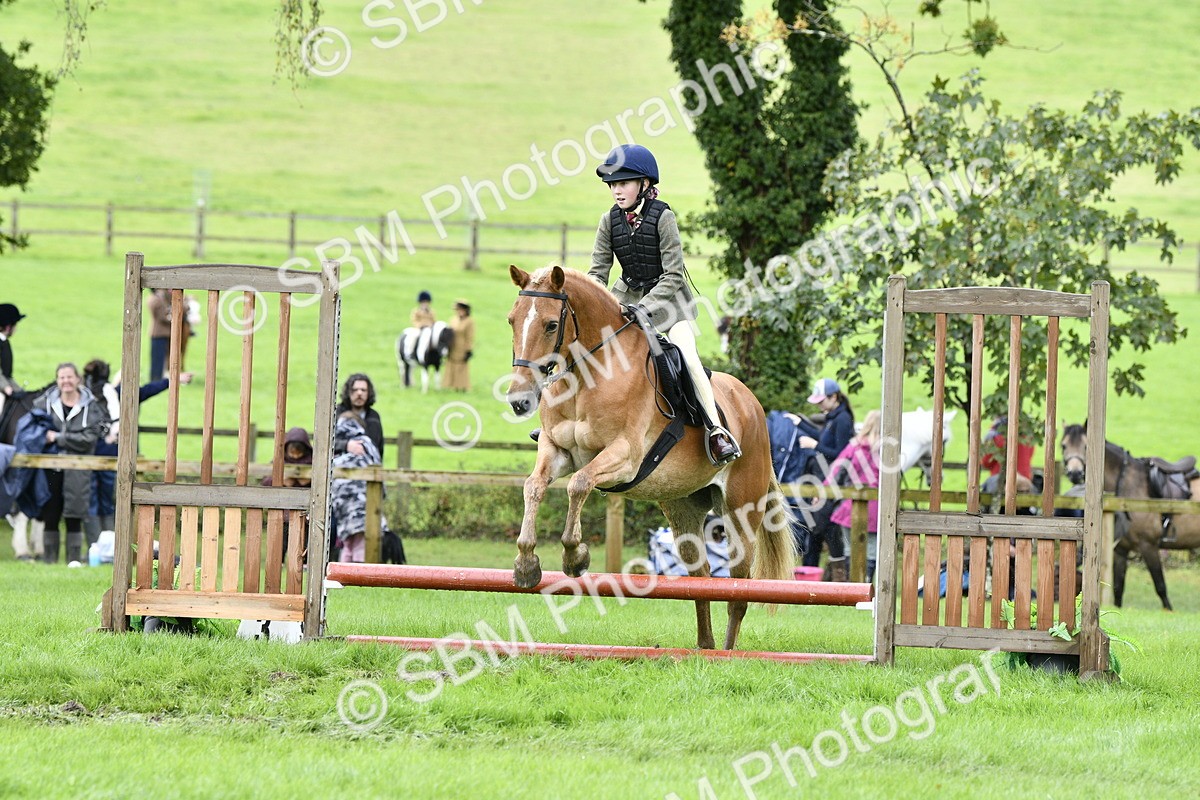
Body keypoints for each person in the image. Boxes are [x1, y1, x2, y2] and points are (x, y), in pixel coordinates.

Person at [588, 144, 738, 466]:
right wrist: (597, 304)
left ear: (644, 184)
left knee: (687, 356)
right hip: (625, 301)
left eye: (623, 183)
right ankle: (568, 422)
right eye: (612, 184)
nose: (616, 190)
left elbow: (672, 275)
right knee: (586, 346)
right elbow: (597, 273)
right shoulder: (608, 221)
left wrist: (646, 307)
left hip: (671, 307)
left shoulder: (663, 217)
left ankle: (715, 430)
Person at [82, 359, 193, 547]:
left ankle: (96, 544)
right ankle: (111, 544)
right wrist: (171, 380)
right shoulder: (117, 394)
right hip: (113, 453)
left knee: (92, 499)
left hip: (89, 454)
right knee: (109, 499)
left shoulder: (85, 397)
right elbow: (149, 389)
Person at [35, 363, 109, 564]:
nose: (66, 381)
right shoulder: (43, 404)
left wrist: (58, 438)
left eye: (69, 377)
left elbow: (89, 439)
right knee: (51, 512)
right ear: (57, 380)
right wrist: (66, 438)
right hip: (50, 468)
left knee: (74, 514)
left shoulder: (91, 407)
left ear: (78, 379)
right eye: (61, 378)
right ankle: (49, 562)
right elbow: (36, 433)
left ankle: (73, 561)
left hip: (79, 469)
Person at [796, 377, 856, 571]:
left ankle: (830, 572)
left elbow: (841, 453)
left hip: (833, 481)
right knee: (817, 529)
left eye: (822, 401)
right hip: (824, 479)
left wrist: (815, 446)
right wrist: (800, 423)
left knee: (821, 529)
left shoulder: (843, 420)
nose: (819, 405)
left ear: (834, 397)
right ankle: (814, 573)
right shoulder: (832, 417)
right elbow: (823, 439)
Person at [826, 410, 882, 582]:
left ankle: (852, 585)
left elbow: (836, 469)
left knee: (850, 548)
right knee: (872, 548)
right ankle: (866, 583)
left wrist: (823, 491)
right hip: (876, 506)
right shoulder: (887, 450)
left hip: (850, 506)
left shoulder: (854, 446)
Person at [330, 412, 382, 563]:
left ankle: (348, 575)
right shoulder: (364, 443)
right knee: (356, 542)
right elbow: (377, 466)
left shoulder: (345, 447)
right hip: (361, 502)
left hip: (348, 504)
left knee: (350, 542)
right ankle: (354, 576)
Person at [334, 374, 384, 462]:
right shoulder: (336, 412)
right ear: (348, 392)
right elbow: (325, 442)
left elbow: (377, 446)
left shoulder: (373, 416)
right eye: (355, 390)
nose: (359, 393)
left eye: (363, 390)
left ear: (369, 393)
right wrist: (346, 445)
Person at [443, 299, 475, 392]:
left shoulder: (469, 321)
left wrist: (468, 350)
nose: (459, 312)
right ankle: (452, 386)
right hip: (452, 346)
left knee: (461, 367)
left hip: (462, 347)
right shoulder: (453, 319)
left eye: (461, 310)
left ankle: (462, 387)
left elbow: (470, 336)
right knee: (451, 365)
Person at [0, 303, 25, 406]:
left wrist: (21, 391)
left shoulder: (4, 342)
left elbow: (7, 375)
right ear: (8, 327)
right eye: (15, 325)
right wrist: (7, 388)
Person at [147, 289, 172, 381]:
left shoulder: (159, 298)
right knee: (158, 359)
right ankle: (156, 379)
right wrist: (173, 319)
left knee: (160, 359)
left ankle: (157, 378)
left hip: (161, 334)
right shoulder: (156, 300)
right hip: (158, 334)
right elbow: (162, 317)